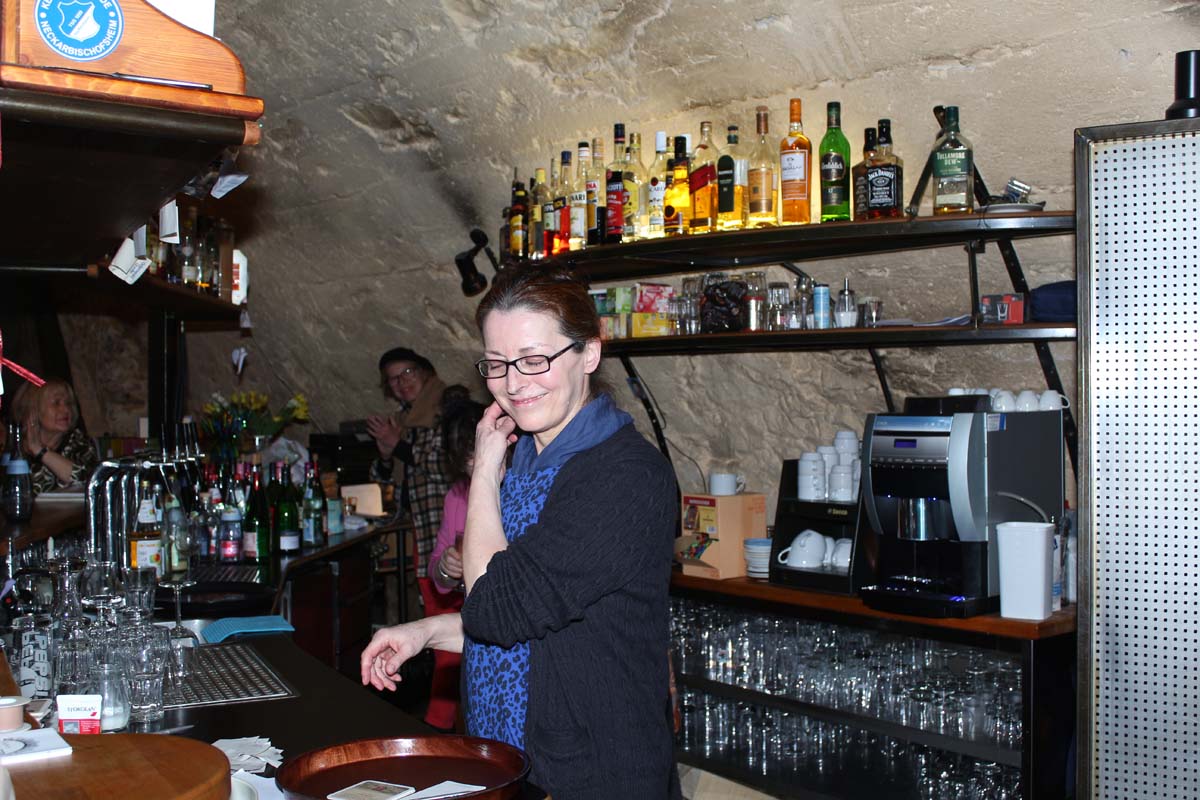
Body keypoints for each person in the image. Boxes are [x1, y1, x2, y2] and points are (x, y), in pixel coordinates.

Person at [361, 267, 681, 798]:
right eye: (497, 364)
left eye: (534, 360)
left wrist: (485, 470)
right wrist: (427, 633)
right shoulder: (530, 460)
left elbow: (498, 608)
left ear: (589, 353)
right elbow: (530, 622)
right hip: (503, 757)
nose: (513, 384)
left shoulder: (625, 476)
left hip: (590, 771)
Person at [420, 393, 485, 730]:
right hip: (472, 614)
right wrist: (446, 567)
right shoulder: (458, 496)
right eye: (465, 459)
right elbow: (437, 572)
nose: (473, 466)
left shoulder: (521, 489)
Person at [367, 347, 451, 577]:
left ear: (425, 372)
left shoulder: (446, 412)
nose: (402, 382)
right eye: (393, 378)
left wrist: (397, 445)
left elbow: (444, 467)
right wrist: (386, 458)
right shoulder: (401, 421)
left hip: (444, 529)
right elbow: (385, 488)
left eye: (408, 372)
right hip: (414, 530)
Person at [8, 379, 98, 494]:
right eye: (56, 403)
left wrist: (40, 451)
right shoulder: (14, 448)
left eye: (68, 403)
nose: (66, 410)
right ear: (33, 409)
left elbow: (88, 481)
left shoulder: (79, 442)